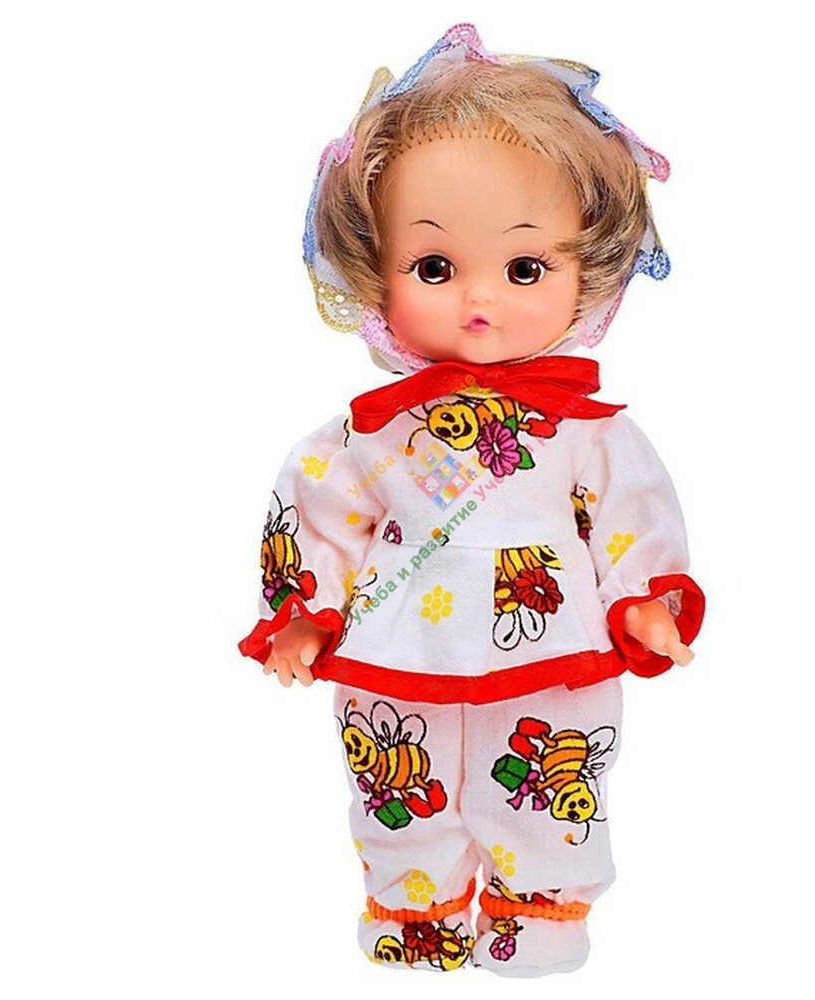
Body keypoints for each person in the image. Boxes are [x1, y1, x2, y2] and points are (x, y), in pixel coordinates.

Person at [238, 23, 705, 977]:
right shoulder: (371, 433)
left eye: (525, 268)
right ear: (372, 267)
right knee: (394, 782)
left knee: (551, 779)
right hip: (396, 633)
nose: (478, 299)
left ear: (587, 269)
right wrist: (304, 611)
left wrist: (646, 598)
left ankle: (539, 911)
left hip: (553, 642)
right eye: (435, 267)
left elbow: (631, 513)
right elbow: (322, 507)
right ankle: (415, 912)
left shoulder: (587, 430)